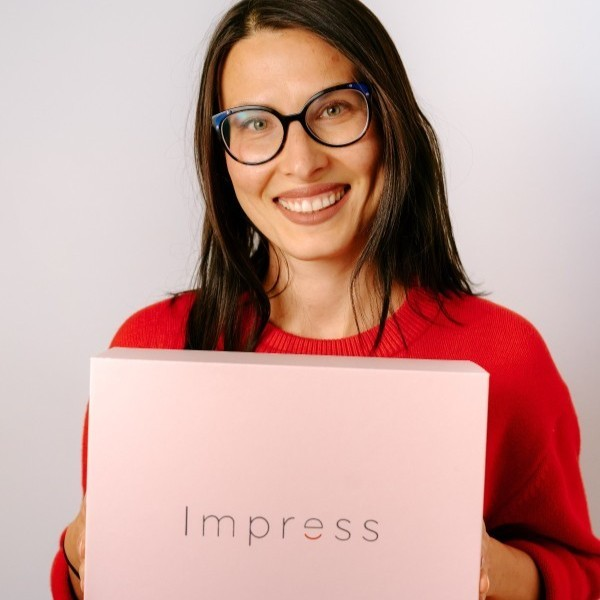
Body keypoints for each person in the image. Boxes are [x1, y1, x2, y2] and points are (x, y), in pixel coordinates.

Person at [51, 0, 600, 598]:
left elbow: (583, 576)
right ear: (222, 153)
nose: (302, 162)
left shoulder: (503, 356)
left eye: (333, 109)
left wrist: (495, 571)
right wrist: (81, 558)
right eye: (255, 123)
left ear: (388, 119)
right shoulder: (153, 350)